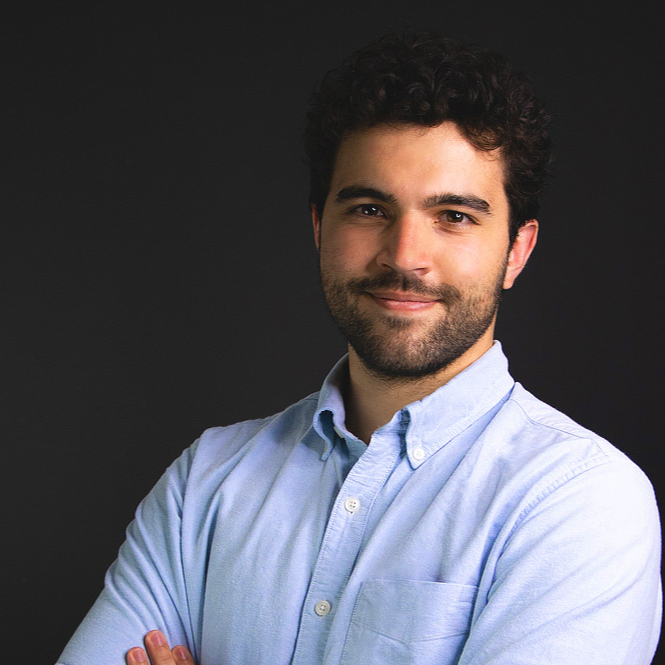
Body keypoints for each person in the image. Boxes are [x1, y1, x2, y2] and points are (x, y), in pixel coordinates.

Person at [56, 33, 661, 665]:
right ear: (320, 227)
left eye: (454, 216)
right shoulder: (205, 482)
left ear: (517, 251)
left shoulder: (580, 501)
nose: (404, 256)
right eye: (370, 209)